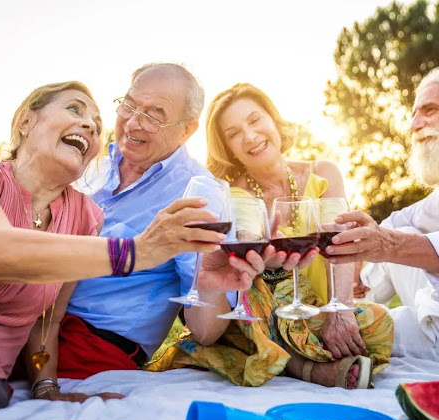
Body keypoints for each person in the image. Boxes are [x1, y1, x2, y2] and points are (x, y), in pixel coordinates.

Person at [0, 80, 254, 410]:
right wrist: (135, 252)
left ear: (187, 130)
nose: (131, 121)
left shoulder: (86, 215)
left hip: (55, 355)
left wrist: (46, 387)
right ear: (26, 121)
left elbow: (46, 320)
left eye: (155, 114)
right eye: (128, 105)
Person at [149, 83, 393, 389]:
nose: (249, 136)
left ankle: (295, 350)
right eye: (234, 133)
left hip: (318, 310)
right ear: (229, 149)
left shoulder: (325, 173)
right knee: (256, 301)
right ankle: (305, 368)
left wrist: (340, 311)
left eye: (254, 120)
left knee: (379, 322)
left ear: (274, 121)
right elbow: (249, 242)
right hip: (268, 311)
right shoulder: (235, 192)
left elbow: (340, 244)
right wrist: (267, 257)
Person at [327, 68, 439, 366]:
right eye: (415, 113)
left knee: (333, 331)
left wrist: (387, 245)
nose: (414, 125)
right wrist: (357, 267)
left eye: (429, 110)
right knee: (400, 233)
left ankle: (348, 322)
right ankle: (349, 305)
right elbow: (398, 223)